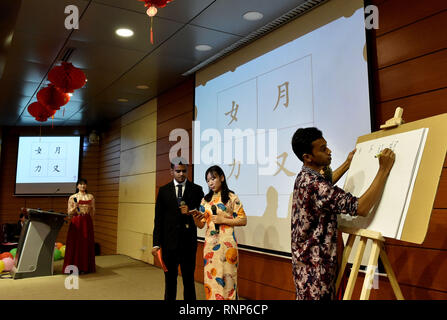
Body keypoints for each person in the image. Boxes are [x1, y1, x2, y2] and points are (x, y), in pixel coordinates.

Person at [290, 127, 395, 300]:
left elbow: (326, 184)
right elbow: (360, 208)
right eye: (323, 149)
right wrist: (383, 170)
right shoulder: (316, 186)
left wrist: (347, 163)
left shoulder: (304, 177)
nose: (329, 151)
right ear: (307, 157)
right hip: (316, 272)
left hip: (304, 265)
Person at [152, 157, 204, 301]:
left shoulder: (197, 190)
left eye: (184, 171)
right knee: (170, 282)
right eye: (178, 171)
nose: (181, 174)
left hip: (188, 244)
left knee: (188, 281)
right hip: (168, 245)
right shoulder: (163, 191)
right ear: (171, 171)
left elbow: (202, 215)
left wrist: (191, 210)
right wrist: (156, 243)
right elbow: (158, 219)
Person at [192, 165, 247, 300]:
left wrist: (224, 219)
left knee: (229, 280)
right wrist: (195, 219)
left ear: (221, 178)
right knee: (211, 281)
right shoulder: (205, 200)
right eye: (208, 180)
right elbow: (201, 225)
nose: (210, 182)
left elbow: (243, 220)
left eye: (213, 178)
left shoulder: (231, 197)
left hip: (228, 246)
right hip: (211, 246)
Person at [63, 178, 96, 274]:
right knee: (75, 242)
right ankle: (73, 267)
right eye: (81, 184)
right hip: (77, 220)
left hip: (87, 220)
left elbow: (93, 212)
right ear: (77, 186)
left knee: (86, 242)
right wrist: (75, 206)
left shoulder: (90, 196)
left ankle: (85, 267)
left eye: (84, 184)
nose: (83, 186)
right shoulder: (73, 197)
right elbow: (69, 213)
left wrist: (90, 209)